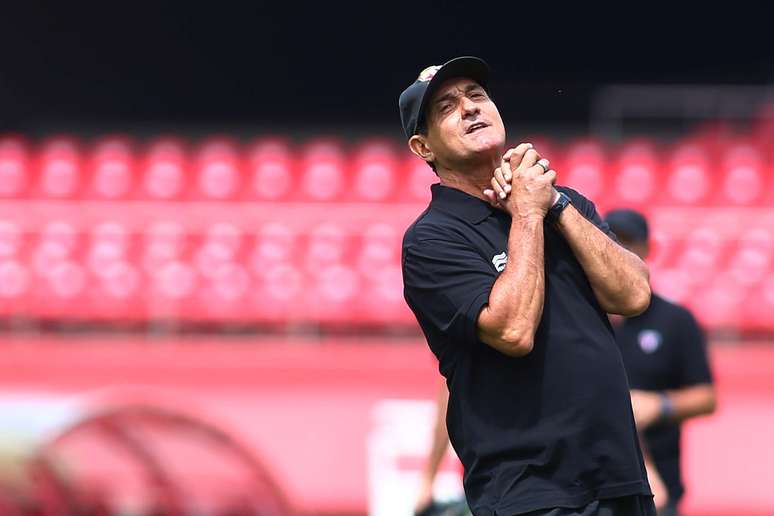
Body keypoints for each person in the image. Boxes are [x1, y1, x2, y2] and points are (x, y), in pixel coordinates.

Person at [399, 56, 656, 515]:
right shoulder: (432, 238)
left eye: (477, 96)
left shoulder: (562, 202)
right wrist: (528, 214)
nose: (471, 108)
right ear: (424, 148)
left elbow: (634, 295)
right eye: (447, 108)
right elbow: (513, 331)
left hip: (618, 478)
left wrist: (554, 204)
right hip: (530, 490)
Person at [604, 209, 717, 516]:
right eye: (611, 238)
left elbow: (706, 397)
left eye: (629, 242)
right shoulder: (579, 312)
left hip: (658, 485)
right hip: (588, 486)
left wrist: (659, 405)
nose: (620, 248)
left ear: (647, 249)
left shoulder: (675, 320)